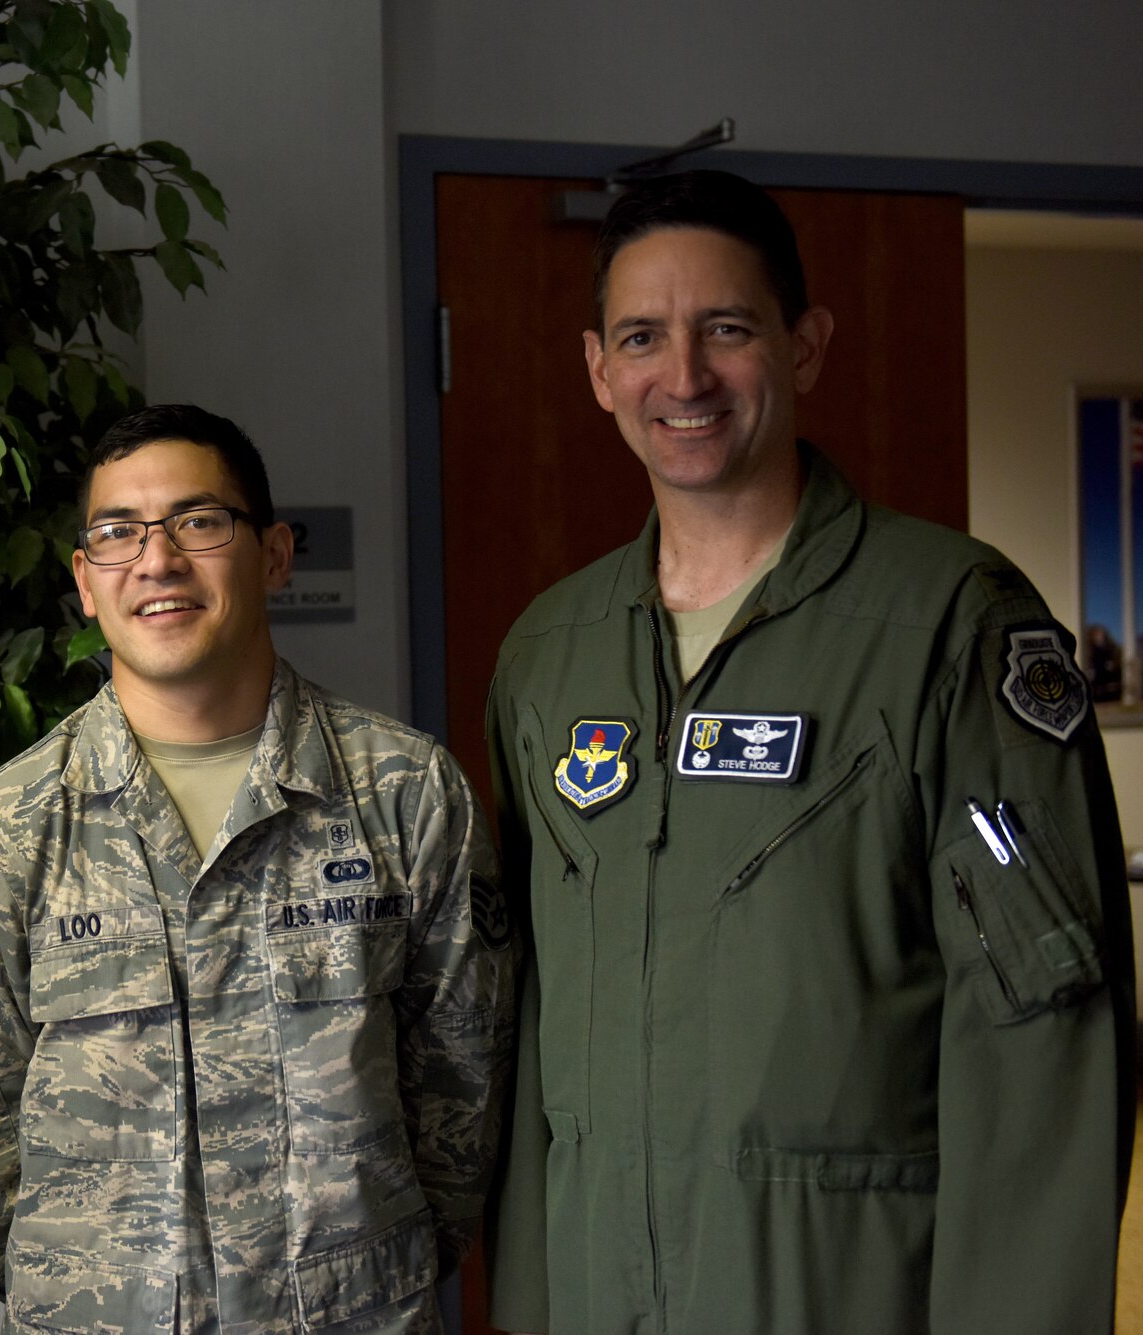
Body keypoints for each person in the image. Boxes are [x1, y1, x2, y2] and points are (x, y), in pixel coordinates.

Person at [484, 170, 1135, 1334]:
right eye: (642, 337)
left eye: (724, 330)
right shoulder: (550, 655)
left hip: (847, 1290)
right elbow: (527, 1033)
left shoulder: (950, 623)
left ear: (804, 347)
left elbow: (1042, 1033)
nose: (680, 377)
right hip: (598, 1291)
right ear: (597, 371)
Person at [0, 404, 516, 1333]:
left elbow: (464, 1089)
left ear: (273, 554)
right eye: (118, 533)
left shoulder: (405, 794)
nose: (157, 560)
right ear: (85, 582)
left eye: (199, 521)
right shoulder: (6, 829)